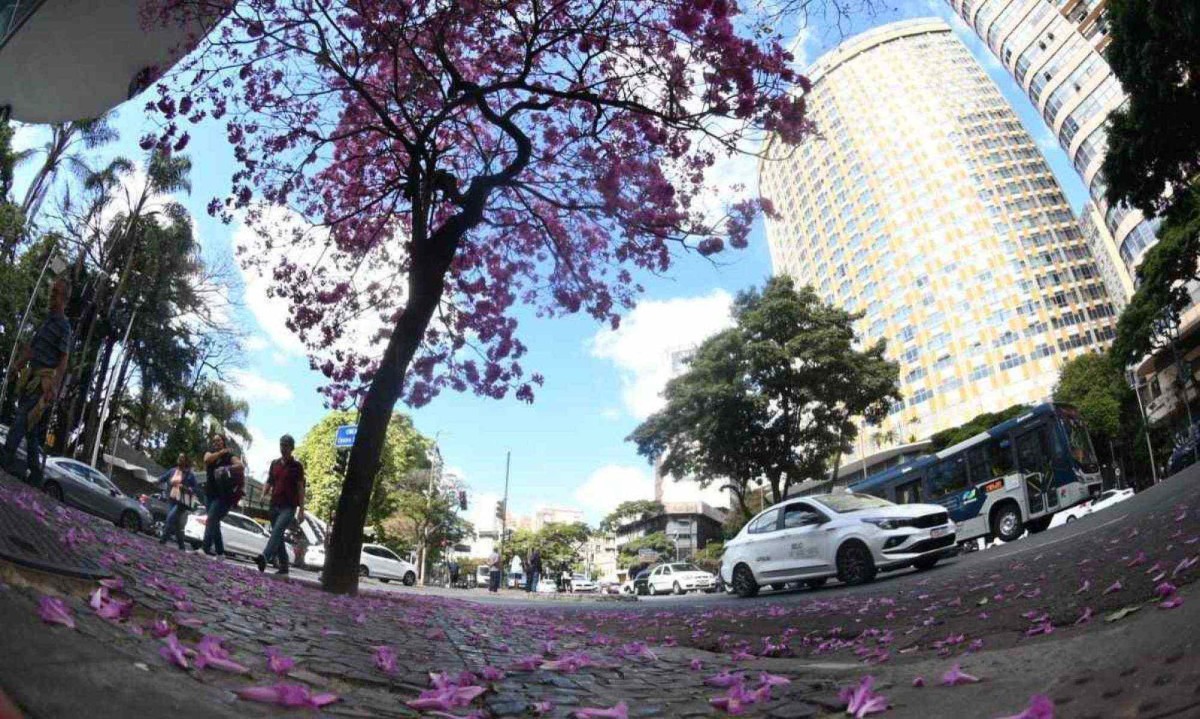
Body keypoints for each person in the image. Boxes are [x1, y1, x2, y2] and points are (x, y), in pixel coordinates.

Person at [1, 278, 71, 487]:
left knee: (22, 418)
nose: (51, 296)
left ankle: (5, 458)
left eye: (56, 293)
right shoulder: (46, 321)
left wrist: (53, 388)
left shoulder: (64, 326)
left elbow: (63, 359)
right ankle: (36, 474)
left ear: (65, 298)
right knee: (31, 430)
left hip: (43, 383)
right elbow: (31, 349)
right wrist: (16, 366)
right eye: (51, 292)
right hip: (30, 378)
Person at [255, 434, 305, 576]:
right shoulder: (274, 463)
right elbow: (270, 481)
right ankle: (284, 567)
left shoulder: (297, 466)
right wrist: (263, 494)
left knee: (277, 531)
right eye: (282, 445)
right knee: (279, 536)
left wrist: (302, 510)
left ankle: (265, 557)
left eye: (286, 445)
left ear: (292, 448)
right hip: (274, 504)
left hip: (289, 506)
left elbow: (301, 488)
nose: (283, 448)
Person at [201, 433, 237, 557]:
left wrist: (227, 469)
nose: (216, 443)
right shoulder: (209, 453)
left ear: (223, 442)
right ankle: (221, 552)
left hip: (222, 495)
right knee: (214, 522)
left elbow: (240, 466)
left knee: (211, 519)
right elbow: (207, 460)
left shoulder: (229, 456)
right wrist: (221, 453)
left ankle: (204, 549)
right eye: (214, 441)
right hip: (209, 494)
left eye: (219, 440)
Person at [157, 454, 197, 550]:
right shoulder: (173, 471)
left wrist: (189, 488)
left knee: (170, 518)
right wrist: (157, 481)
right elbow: (163, 478)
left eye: (182, 457)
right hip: (171, 499)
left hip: (181, 502)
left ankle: (163, 540)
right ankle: (181, 546)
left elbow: (195, 487)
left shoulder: (189, 474)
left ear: (186, 461)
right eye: (179, 457)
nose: (179, 459)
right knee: (177, 524)